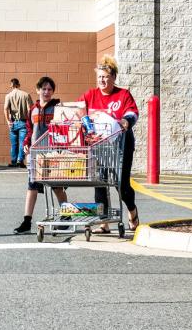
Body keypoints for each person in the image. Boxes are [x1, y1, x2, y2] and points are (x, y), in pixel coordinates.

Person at [80, 55, 139, 233]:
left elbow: (132, 112)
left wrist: (126, 121)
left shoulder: (123, 95)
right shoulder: (90, 95)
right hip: (98, 146)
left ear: (113, 77)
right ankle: (103, 222)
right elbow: (78, 110)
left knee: (121, 185)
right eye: (99, 77)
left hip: (121, 145)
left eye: (106, 76)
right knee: (100, 182)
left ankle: (132, 211)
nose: (102, 80)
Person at [14, 76, 68, 234]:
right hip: (36, 155)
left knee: (57, 187)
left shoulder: (58, 107)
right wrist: (26, 144)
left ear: (53, 91)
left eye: (49, 89)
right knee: (32, 187)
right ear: (38, 90)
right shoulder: (33, 109)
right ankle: (27, 221)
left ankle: (66, 217)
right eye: (43, 89)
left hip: (53, 153)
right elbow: (29, 130)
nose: (46, 91)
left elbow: (63, 128)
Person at [3, 78, 32, 167]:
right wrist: (30, 122)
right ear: (19, 85)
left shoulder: (8, 96)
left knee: (14, 143)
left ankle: (13, 161)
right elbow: (30, 109)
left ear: (11, 85)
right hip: (23, 122)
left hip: (13, 122)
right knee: (22, 142)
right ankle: (20, 161)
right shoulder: (26, 95)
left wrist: (8, 121)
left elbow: (5, 109)